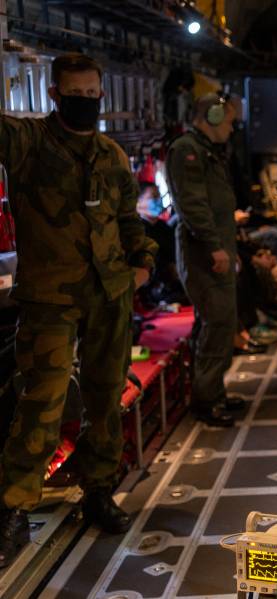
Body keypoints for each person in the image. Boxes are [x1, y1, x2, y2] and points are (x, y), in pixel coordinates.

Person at [0, 53, 159, 565]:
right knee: (41, 404)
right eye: (76, 93)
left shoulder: (111, 155)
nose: (86, 102)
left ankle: (97, 489)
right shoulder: (29, 145)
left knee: (105, 396)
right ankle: (12, 508)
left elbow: (127, 220)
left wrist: (143, 265)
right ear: (54, 94)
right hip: (50, 298)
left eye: (94, 95)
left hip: (108, 293)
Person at [166, 93, 244, 427]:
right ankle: (206, 400)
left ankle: (214, 391)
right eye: (227, 120)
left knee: (220, 322)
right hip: (203, 255)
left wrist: (228, 247)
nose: (231, 127)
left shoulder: (206, 150)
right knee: (216, 323)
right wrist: (215, 247)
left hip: (217, 248)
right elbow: (194, 205)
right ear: (211, 117)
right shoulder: (187, 151)